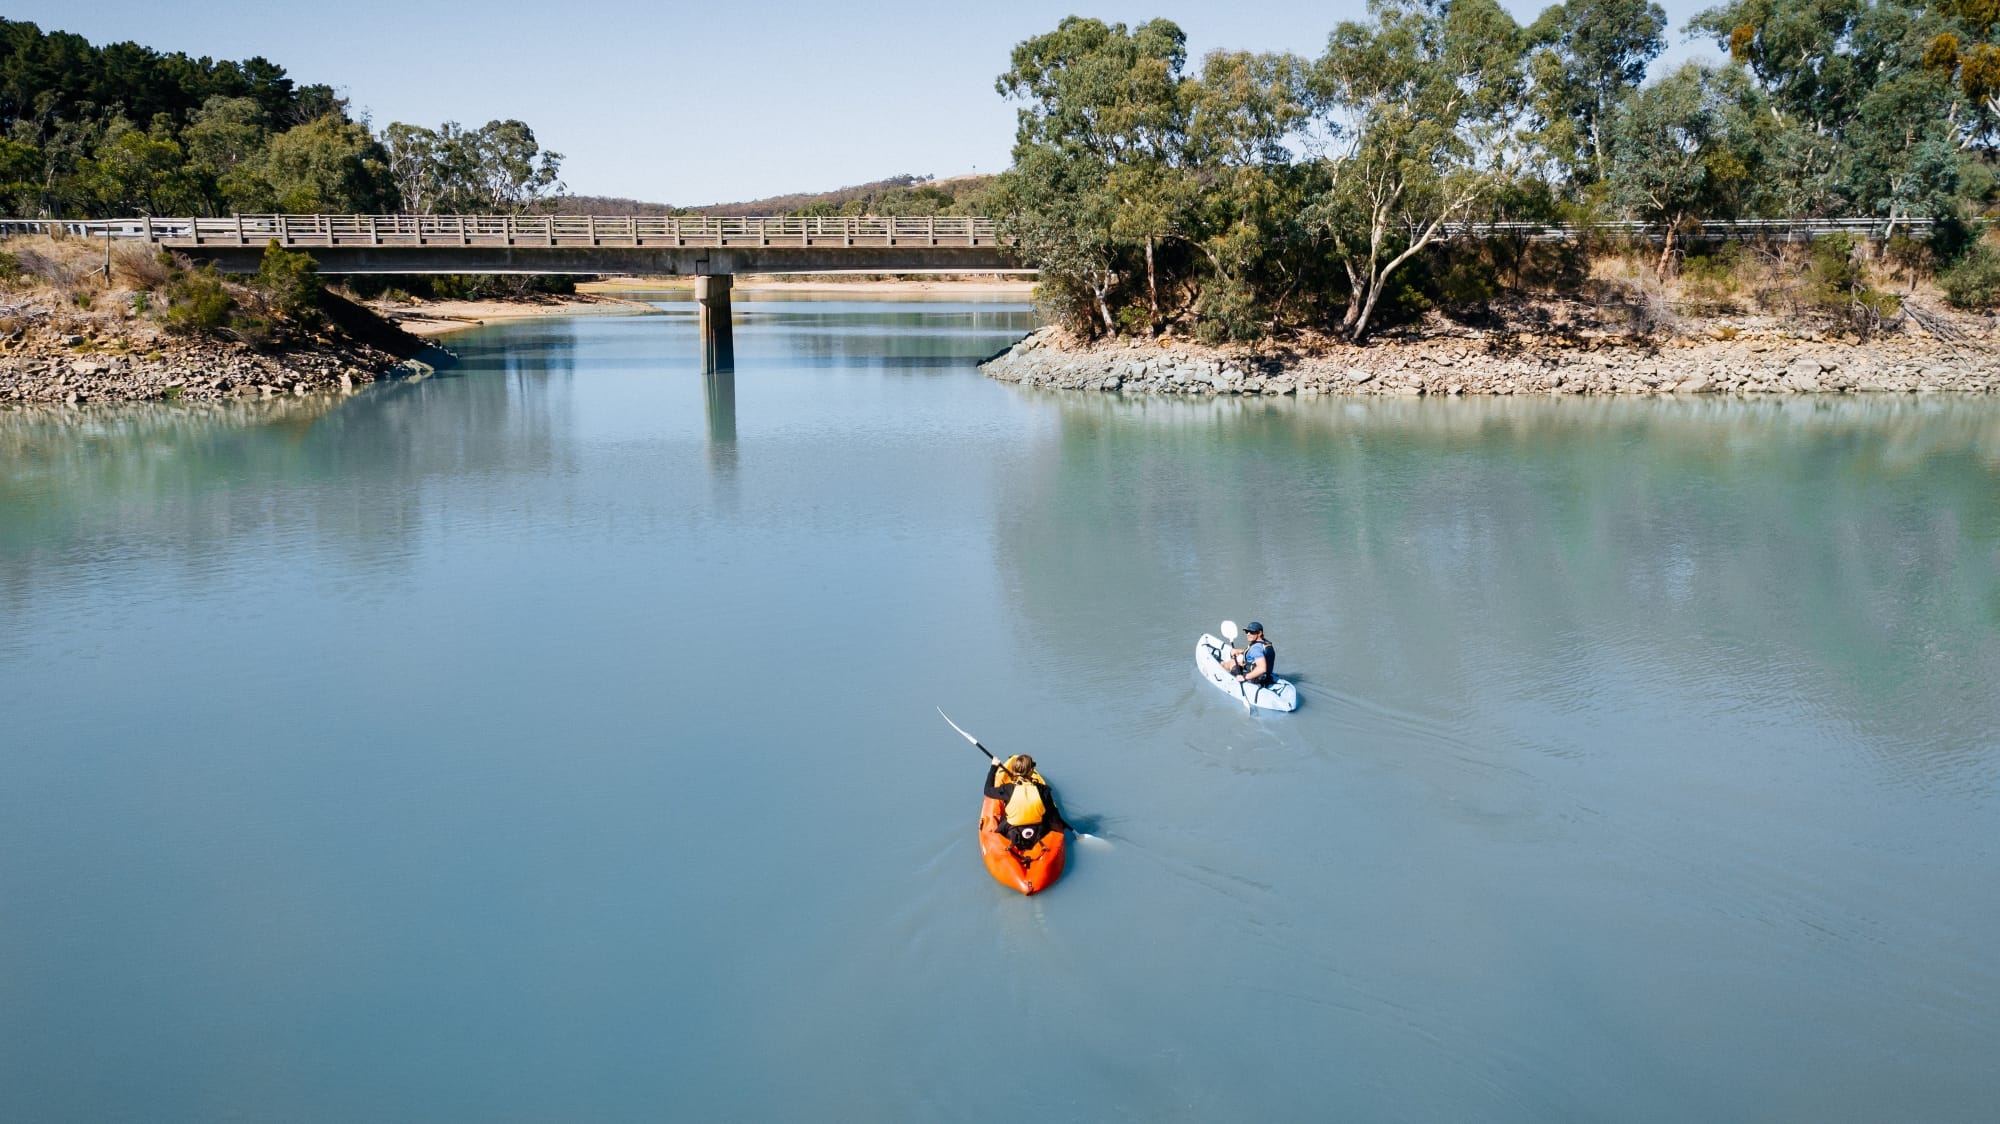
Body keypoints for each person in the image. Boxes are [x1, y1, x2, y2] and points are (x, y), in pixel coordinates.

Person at [983, 753, 1067, 850]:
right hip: (1038, 832)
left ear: (1014, 771)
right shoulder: (1043, 790)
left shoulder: (1008, 789)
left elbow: (987, 790)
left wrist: (993, 767)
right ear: (1031, 771)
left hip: (1011, 832)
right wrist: (1061, 826)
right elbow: (1053, 816)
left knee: (1004, 817)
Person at [1222, 621, 1277, 687]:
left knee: (1231, 662)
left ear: (1259, 633)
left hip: (1256, 679)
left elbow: (1262, 668)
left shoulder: (1256, 648)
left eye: (1251, 632)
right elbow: (1257, 653)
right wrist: (1240, 651)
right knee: (1239, 662)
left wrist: (1245, 677)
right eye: (1247, 631)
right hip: (1266, 676)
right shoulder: (1265, 643)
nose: (1248, 634)